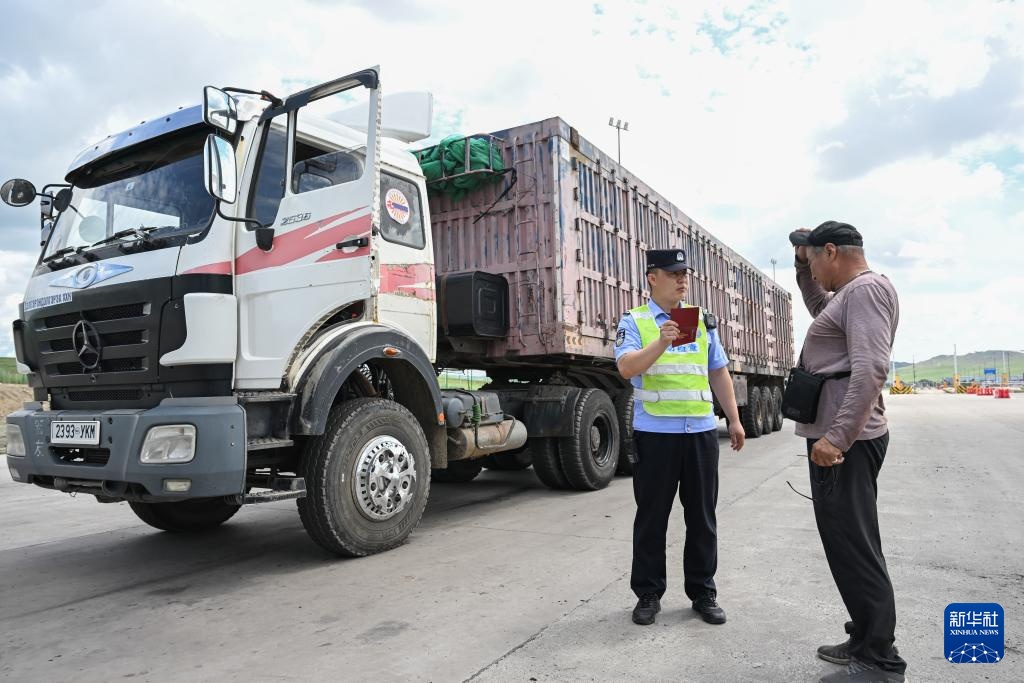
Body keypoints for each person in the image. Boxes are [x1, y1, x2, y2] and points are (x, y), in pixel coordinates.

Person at [790, 221, 906, 683]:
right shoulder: (849, 295)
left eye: (815, 260)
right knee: (847, 544)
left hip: (847, 445)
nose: (815, 272)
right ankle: (864, 635)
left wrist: (836, 438)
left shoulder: (865, 291)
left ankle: (880, 661)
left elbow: (872, 368)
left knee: (855, 548)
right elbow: (821, 308)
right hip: (844, 440)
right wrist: (802, 267)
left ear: (832, 251)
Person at [615, 248, 745, 627]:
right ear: (652, 278)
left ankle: (703, 592)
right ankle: (648, 594)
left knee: (702, 517)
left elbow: (717, 370)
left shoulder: (700, 320)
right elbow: (626, 368)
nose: (682, 279)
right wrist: (660, 342)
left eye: (684, 273)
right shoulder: (636, 321)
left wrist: (734, 419)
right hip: (656, 435)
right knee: (652, 518)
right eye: (673, 273)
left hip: (701, 433)